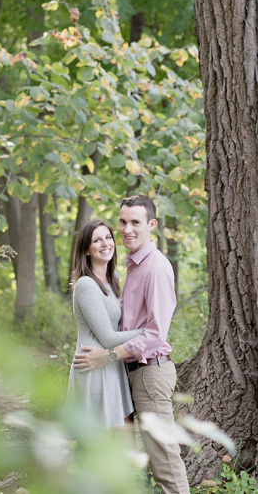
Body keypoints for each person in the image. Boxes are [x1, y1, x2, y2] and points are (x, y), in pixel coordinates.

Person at [73, 195, 190, 494]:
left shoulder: (155, 268)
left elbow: (155, 335)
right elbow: (127, 325)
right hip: (131, 373)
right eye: (122, 222)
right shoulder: (131, 267)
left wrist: (109, 354)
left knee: (164, 460)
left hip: (150, 372)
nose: (127, 229)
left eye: (135, 222)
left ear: (151, 225)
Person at [67, 219, 144, 430]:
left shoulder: (114, 279)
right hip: (95, 368)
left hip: (112, 363)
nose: (105, 244)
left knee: (124, 444)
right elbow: (108, 338)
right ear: (86, 250)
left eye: (108, 238)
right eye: (97, 240)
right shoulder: (86, 285)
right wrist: (148, 332)